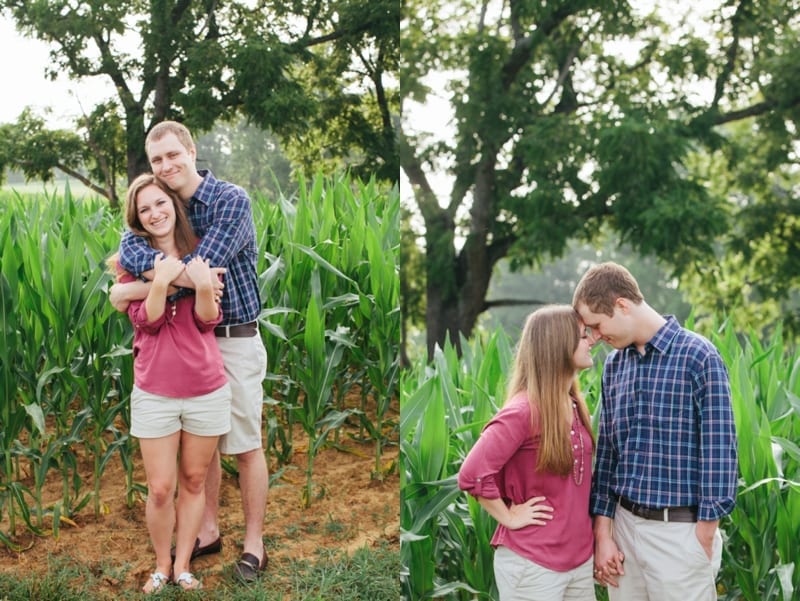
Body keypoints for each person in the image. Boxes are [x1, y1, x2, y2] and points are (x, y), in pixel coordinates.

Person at [109, 120, 269, 582]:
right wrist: (149, 281)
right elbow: (133, 251)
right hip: (188, 345)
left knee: (244, 443)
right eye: (157, 159)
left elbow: (207, 272)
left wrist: (129, 292)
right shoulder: (165, 203)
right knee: (205, 450)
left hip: (233, 335)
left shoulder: (229, 200)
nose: (166, 166)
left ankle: (254, 545)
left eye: (173, 155)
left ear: (192, 151)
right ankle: (209, 530)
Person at [572, 261, 738, 601]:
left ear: (622, 305)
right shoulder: (615, 366)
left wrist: (702, 537)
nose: (597, 337)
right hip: (623, 531)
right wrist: (604, 533)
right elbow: (607, 456)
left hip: (679, 534)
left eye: (598, 325)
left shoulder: (698, 356)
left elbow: (720, 453)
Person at [111, 173, 231, 592]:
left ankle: (184, 565)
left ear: (173, 205)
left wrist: (197, 285)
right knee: (161, 489)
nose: (155, 213)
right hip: (155, 392)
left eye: (160, 203)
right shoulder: (131, 268)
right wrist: (157, 283)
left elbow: (208, 318)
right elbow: (151, 320)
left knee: (194, 480)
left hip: (206, 388)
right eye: (145, 209)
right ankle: (161, 564)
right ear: (138, 220)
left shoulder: (203, 255)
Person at [458, 305, 597, 601]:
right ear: (558, 344)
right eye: (583, 335)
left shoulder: (572, 404)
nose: (591, 341)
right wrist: (508, 516)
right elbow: (472, 474)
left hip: (579, 562)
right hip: (533, 565)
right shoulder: (523, 411)